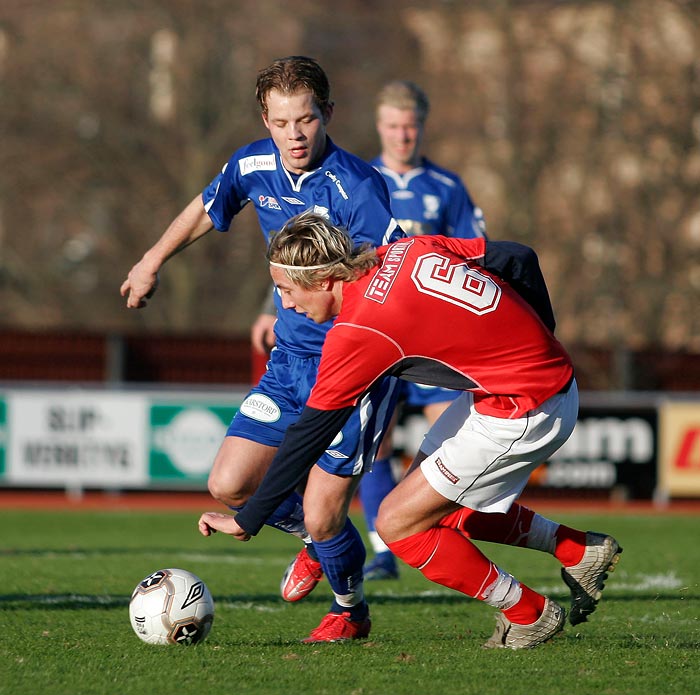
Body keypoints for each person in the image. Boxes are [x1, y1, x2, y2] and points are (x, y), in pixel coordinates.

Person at [197, 211, 622, 649]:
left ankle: (528, 613)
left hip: (525, 406)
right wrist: (541, 341)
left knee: (399, 525)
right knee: (430, 506)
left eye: (286, 290)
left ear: (324, 280)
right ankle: (576, 549)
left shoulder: (358, 330)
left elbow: (309, 435)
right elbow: (517, 257)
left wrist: (248, 519)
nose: (285, 305)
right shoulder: (405, 249)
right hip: (521, 388)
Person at [120, 56, 405, 642]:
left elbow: (388, 276)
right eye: (280, 122)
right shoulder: (253, 163)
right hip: (288, 363)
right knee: (227, 484)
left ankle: (349, 611)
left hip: (351, 368)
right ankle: (311, 539)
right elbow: (208, 205)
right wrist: (152, 261)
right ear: (265, 119)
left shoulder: (358, 187)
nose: (293, 136)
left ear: (327, 114)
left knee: (328, 511)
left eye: (305, 120)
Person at [359, 79, 487, 580]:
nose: (401, 135)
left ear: (421, 127)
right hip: (382, 337)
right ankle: (383, 550)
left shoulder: (448, 188)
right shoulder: (361, 179)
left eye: (409, 126)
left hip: (435, 342)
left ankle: (438, 525)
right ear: (379, 125)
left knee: (457, 440)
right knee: (376, 444)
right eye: (392, 125)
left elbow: (478, 258)